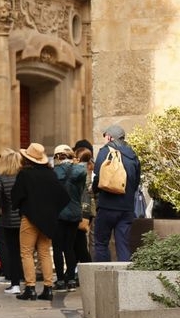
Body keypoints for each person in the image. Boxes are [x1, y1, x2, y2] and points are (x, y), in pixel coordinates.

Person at [10, 143, 70, 301]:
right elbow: (63, 196)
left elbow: (15, 196)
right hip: (48, 220)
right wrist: (52, 210)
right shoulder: (50, 174)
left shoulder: (25, 174)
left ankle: (30, 288)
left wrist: (22, 205)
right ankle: (48, 288)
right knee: (44, 253)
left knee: (26, 252)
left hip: (29, 219)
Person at [92, 125, 141, 262]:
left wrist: (95, 190)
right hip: (126, 208)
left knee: (101, 243)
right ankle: (125, 279)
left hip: (107, 205)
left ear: (110, 137)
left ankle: (102, 277)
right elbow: (136, 181)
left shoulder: (105, 151)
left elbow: (98, 176)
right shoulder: (132, 154)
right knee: (123, 244)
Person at [51, 144, 87, 291]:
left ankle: (60, 280)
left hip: (58, 213)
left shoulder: (53, 172)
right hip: (74, 212)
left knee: (57, 248)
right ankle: (71, 279)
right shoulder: (80, 171)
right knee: (69, 247)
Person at [0, 149, 24, 295]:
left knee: (13, 252)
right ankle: (29, 282)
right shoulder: (22, 175)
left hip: (8, 220)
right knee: (25, 252)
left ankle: (15, 284)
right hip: (23, 219)